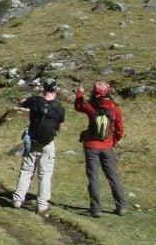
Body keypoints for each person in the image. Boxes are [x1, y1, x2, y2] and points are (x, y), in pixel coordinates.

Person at [74, 80, 127, 217]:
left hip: (91, 146)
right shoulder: (115, 109)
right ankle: (121, 206)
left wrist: (80, 92)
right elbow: (120, 130)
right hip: (107, 147)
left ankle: (96, 209)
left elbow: (78, 106)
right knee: (112, 176)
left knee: (93, 177)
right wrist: (112, 142)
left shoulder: (91, 108)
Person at [12, 78, 65, 215]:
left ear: (43, 88)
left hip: (32, 140)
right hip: (47, 143)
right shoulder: (59, 108)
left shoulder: (35, 101)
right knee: (45, 174)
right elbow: (60, 129)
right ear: (55, 90)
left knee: (26, 170)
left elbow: (22, 103)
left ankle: (17, 200)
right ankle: (42, 205)